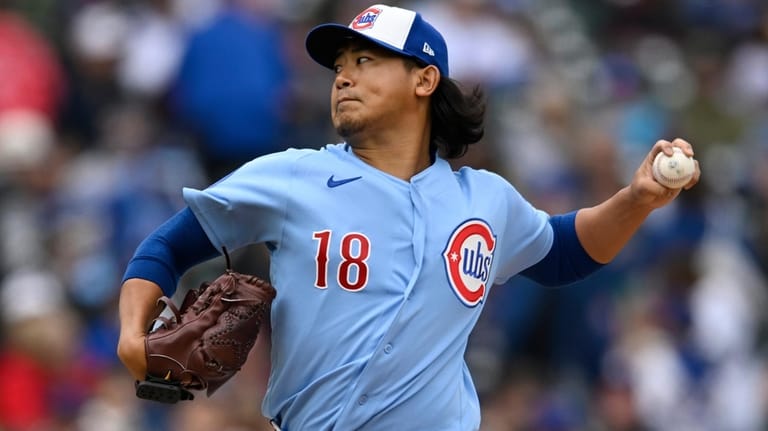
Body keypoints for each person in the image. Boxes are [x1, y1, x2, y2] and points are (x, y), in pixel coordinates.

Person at [116, 4, 700, 430]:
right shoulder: (293, 176)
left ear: (424, 79)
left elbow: (562, 253)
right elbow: (166, 249)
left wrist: (637, 200)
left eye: (366, 60)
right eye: (339, 65)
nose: (343, 75)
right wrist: (131, 335)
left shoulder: (484, 199)